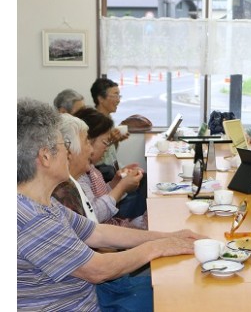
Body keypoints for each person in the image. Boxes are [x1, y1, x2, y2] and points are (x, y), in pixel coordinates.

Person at [17, 98, 206, 311]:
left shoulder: (41, 201)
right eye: (65, 145)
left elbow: (96, 232)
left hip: (94, 297)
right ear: (44, 157)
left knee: (180, 288)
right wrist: (159, 247)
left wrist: (170, 236)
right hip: (85, 306)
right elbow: (98, 270)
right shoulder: (32, 218)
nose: (69, 153)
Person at [52, 113, 146, 229]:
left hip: (109, 229)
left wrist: (115, 183)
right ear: (68, 151)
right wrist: (121, 187)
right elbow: (93, 220)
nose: (90, 149)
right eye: (87, 142)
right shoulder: (67, 189)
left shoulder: (82, 176)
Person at [90, 78, 130, 182]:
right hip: (102, 172)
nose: (118, 100)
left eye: (119, 95)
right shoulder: (95, 122)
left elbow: (111, 154)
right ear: (101, 99)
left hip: (111, 167)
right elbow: (93, 157)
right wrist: (111, 140)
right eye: (115, 95)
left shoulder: (108, 119)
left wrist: (116, 140)